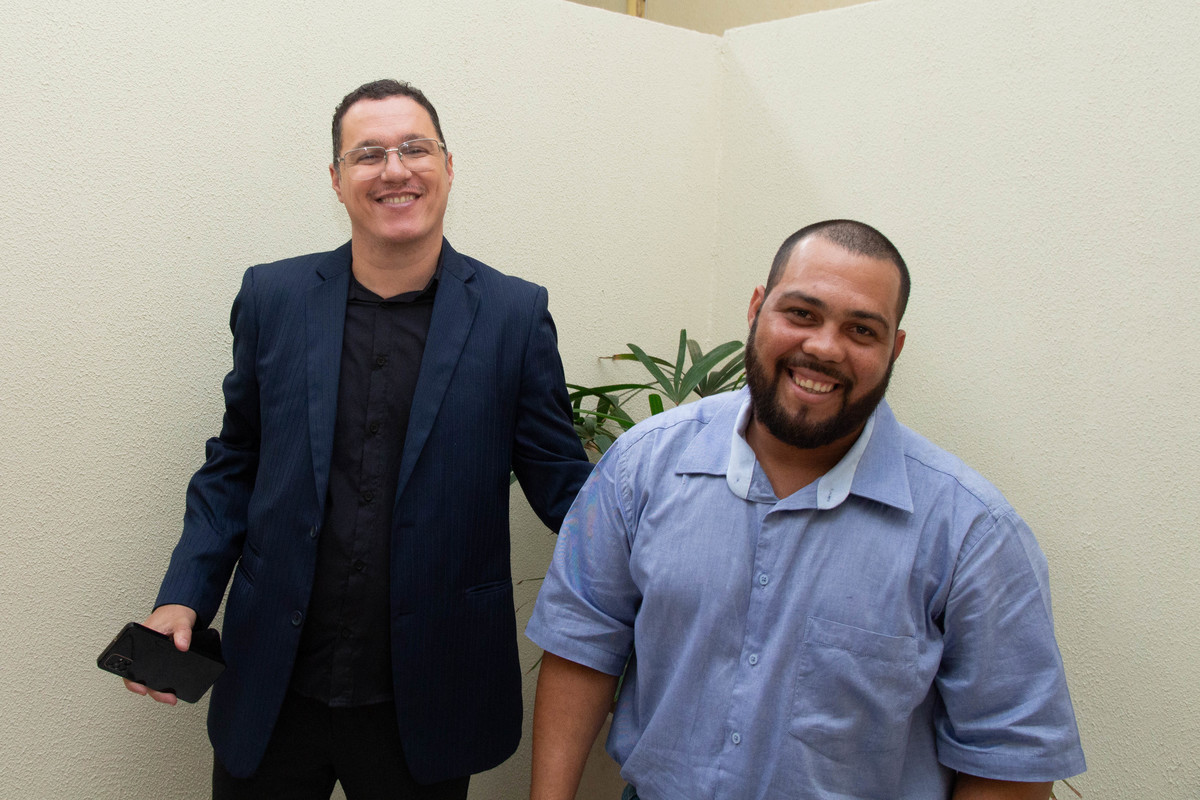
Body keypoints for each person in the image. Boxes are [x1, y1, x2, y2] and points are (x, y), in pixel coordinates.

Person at [123, 79, 592, 799]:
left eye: (415, 148)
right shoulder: (273, 298)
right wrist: (184, 596)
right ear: (337, 179)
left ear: (448, 166)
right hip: (274, 686)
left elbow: (565, 488)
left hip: (429, 696)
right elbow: (235, 464)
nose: (395, 169)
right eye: (368, 154)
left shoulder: (513, 315)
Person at [526, 220, 1086, 800]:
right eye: (801, 313)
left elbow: (1010, 759)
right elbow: (582, 647)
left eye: (861, 330)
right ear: (757, 309)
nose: (823, 347)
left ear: (893, 349)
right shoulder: (641, 466)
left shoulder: (971, 534)